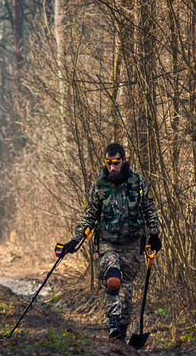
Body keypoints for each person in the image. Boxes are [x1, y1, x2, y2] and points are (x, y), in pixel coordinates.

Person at [59, 143, 162, 340]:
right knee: (113, 278)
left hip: (132, 246)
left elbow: (150, 208)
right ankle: (113, 322)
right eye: (109, 163)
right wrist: (75, 239)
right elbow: (90, 216)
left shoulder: (138, 182)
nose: (112, 167)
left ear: (124, 160)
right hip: (107, 244)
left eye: (116, 162)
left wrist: (154, 234)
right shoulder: (99, 186)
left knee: (127, 292)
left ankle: (121, 331)